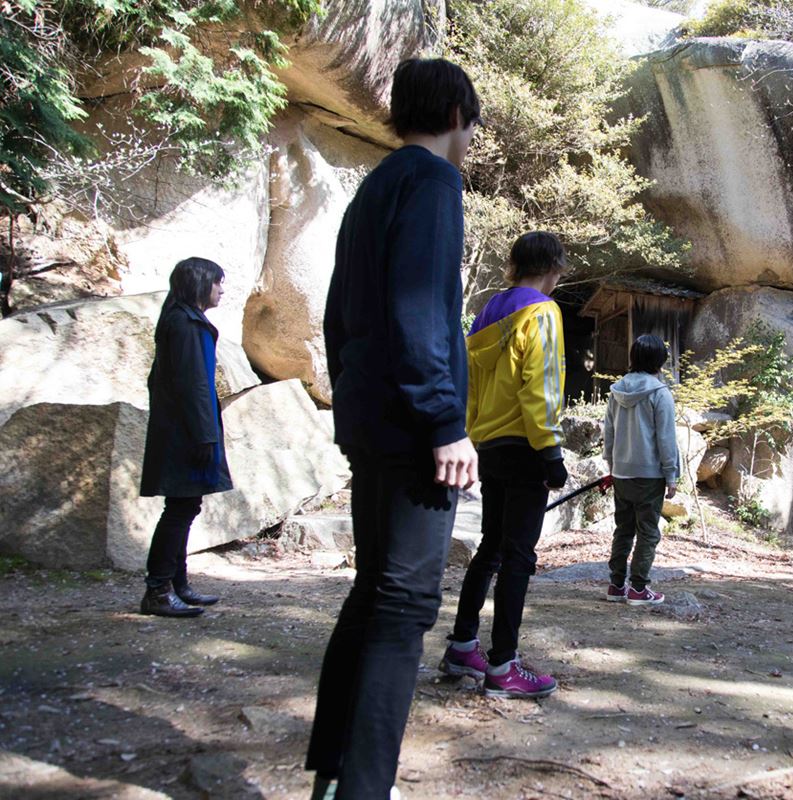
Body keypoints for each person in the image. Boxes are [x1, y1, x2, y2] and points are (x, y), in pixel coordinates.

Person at [305, 58, 481, 800]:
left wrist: (354, 397)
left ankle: (337, 774)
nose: (469, 141)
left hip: (370, 417)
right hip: (414, 429)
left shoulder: (375, 185)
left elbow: (339, 315)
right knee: (405, 603)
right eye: (471, 126)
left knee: (374, 592)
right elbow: (419, 311)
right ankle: (365, 788)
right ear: (456, 117)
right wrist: (443, 419)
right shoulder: (433, 181)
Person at [438, 231, 569, 700]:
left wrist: (474, 436)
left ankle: (462, 646)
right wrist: (550, 452)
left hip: (489, 444)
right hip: (526, 446)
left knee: (490, 548)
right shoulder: (543, 312)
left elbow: (470, 382)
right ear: (554, 267)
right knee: (518, 557)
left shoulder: (489, 311)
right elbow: (541, 384)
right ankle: (503, 666)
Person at [138, 257, 232, 618]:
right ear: (199, 283)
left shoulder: (181, 320)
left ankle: (177, 584)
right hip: (187, 433)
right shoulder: (185, 325)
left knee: (185, 507)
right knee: (179, 510)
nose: (221, 290)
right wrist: (205, 435)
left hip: (183, 429)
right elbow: (195, 386)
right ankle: (158, 591)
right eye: (217, 282)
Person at [603, 334, 681, 606]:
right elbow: (666, 438)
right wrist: (671, 475)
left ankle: (616, 585)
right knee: (648, 531)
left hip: (622, 473)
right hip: (649, 475)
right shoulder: (660, 393)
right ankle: (638, 588)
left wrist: (612, 466)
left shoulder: (616, 391)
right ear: (660, 361)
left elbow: (609, 433)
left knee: (623, 529)